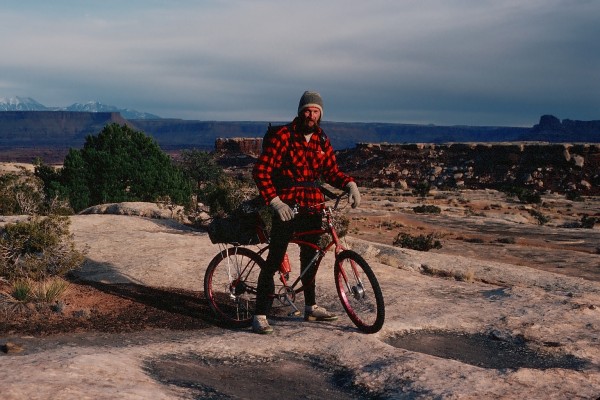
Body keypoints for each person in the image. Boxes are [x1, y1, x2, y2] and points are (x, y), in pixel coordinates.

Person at [251, 90, 361, 334]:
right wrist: (275, 202)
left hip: (312, 205)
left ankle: (310, 307)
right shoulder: (283, 136)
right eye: (307, 110)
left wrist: (349, 184)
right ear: (300, 112)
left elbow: (332, 171)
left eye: (315, 111)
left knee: (310, 256)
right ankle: (259, 314)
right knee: (275, 258)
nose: (311, 115)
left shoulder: (322, 140)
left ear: (320, 114)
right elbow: (261, 171)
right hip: (287, 206)